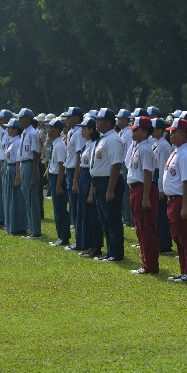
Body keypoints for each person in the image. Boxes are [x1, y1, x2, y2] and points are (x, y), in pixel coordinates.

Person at [162, 118, 187, 283]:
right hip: (174, 200)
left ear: (183, 134)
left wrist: (185, 207)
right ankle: (184, 269)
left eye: (174, 132)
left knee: (186, 237)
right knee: (177, 236)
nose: (170, 134)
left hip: (182, 199)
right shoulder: (176, 151)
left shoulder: (185, 154)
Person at [89, 108, 126, 262]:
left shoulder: (114, 139)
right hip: (100, 182)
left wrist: (110, 190)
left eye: (100, 120)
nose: (97, 123)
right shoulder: (104, 138)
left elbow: (116, 165)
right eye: (97, 120)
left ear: (110, 122)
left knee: (112, 219)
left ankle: (117, 253)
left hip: (109, 182)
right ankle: (110, 251)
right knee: (104, 219)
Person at [126, 116, 160, 275]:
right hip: (135, 189)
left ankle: (150, 265)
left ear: (145, 132)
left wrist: (146, 197)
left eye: (136, 130)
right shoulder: (139, 146)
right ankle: (146, 262)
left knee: (146, 228)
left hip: (142, 189)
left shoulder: (145, 149)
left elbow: (148, 173)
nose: (133, 132)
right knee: (140, 228)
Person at [74, 116, 104, 257]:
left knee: (92, 214)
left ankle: (95, 246)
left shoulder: (94, 145)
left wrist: (91, 191)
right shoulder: (87, 144)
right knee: (84, 213)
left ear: (91, 130)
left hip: (89, 178)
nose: (81, 131)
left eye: (84, 128)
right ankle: (85, 243)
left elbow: (93, 168)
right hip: (83, 177)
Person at [62, 107, 85, 248]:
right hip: (69, 170)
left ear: (76, 118)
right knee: (73, 206)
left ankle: (79, 239)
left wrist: (76, 179)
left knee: (76, 206)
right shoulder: (71, 132)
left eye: (69, 117)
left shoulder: (78, 133)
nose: (66, 120)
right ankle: (78, 238)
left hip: (74, 171)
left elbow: (79, 156)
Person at [17, 108, 41, 239]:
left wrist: (33, 176)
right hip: (24, 163)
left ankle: (36, 230)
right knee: (27, 197)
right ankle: (31, 228)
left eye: (22, 118)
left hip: (30, 164)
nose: (20, 120)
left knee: (32, 199)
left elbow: (36, 154)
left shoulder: (32, 133)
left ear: (28, 119)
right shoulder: (24, 133)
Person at [47, 119, 70, 247]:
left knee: (60, 209)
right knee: (57, 209)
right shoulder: (56, 144)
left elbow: (62, 167)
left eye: (50, 128)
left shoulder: (60, 145)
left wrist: (58, 185)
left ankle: (64, 236)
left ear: (56, 130)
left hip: (58, 178)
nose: (48, 130)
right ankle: (60, 235)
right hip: (54, 177)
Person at [3, 118, 28, 235]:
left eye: (10, 128)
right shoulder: (12, 141)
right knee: (10, 199)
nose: (8, 130)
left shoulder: (18, 142)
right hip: (10, 168)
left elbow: (18, 161)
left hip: (14, 169)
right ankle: (11, 225)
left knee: (17, 200)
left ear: (15, 130)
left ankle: (19, 226)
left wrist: (17, 178)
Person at [151, 118, 173, 253]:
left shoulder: (164, 146)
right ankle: (159, 241)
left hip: (160, 180)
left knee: (162, 215)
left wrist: (161, 189)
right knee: (156, 214)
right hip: (155, 176)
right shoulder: (156, 143)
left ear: (160, 130)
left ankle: (164, 243)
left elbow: (164, 168)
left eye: (152, 129)